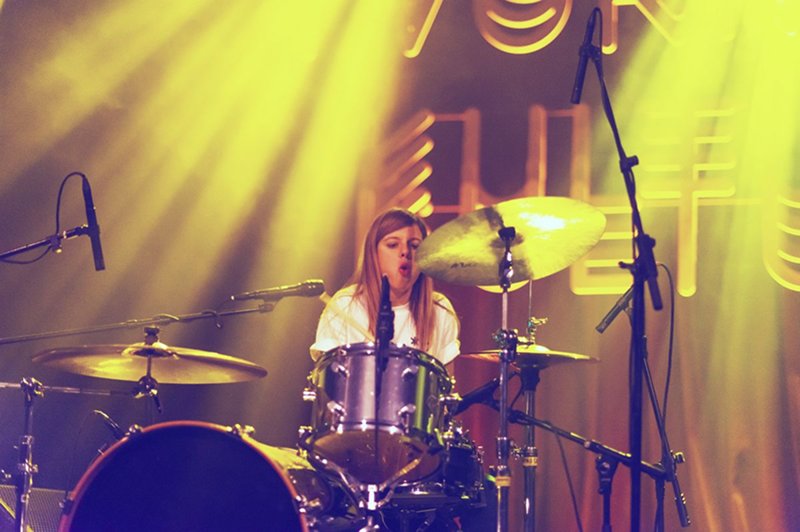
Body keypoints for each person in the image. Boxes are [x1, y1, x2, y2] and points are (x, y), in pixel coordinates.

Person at [310, 207, 460, 367]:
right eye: (393, 244)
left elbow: (446, 380)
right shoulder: (343, 306)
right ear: (373, 253)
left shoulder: (440, 310)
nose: (405, 252)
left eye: (415, 246)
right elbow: (327, 378)